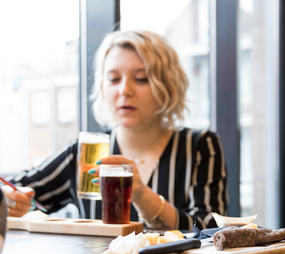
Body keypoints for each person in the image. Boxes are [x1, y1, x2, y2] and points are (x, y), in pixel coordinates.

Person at [0, 30, 228, 230]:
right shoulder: (85, 154)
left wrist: (141, 194)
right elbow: (19, 188)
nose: (124, 90)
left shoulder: (198, 147)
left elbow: (212, 229)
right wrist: (11, 200)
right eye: (113, 79)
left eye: (141, 78)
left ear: (168, 85)